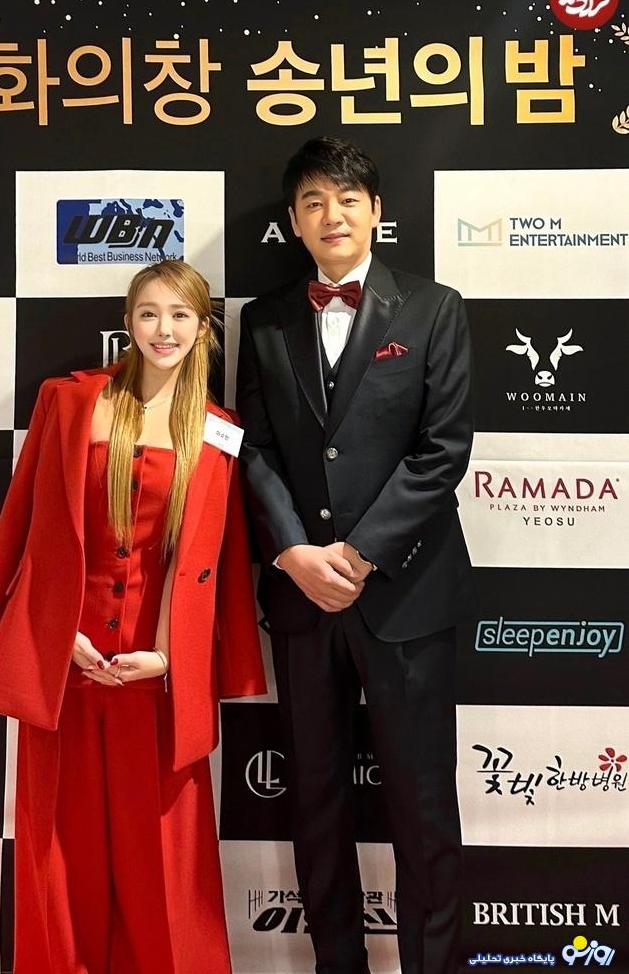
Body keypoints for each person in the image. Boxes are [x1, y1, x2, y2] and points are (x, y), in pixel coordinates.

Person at [0, 259, 266, 974]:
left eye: (181, 315)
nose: (164, 329)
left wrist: (167, 657)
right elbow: (27, 526)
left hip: (155, 678)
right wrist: (51, 633)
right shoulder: (68, 402)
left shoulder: (218, 431)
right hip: (63, 666)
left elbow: (210, 560)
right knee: (57, 851)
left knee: (162, 859)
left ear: (203, 329)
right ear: (127, 322)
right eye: (149, 313)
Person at [235, 136, 477, 974]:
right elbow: (254, 450)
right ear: (293, 221)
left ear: (374, 210)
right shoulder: (263, 319)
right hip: (303, 599)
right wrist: (294, 553)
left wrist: (361, 553)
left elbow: (442, 451)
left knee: (421, 804)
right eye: (312, 201)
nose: (330, 215)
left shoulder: (434, 308)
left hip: (407, 594)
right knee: (315, 799)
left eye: (345, 199)